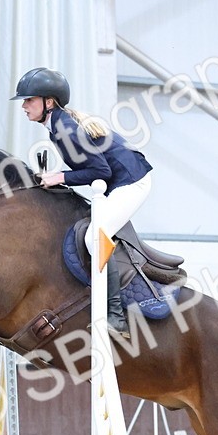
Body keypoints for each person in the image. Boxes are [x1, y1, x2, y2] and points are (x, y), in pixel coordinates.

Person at [11, 67, 152, 337]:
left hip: (132, 181)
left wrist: (59, 177)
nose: (24, 106)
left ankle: (115, 317)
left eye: (29, 100)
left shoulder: (65, 129)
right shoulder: (57, 125)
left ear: (48, 102)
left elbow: (101, 172)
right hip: (119, 181)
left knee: (94, 237)